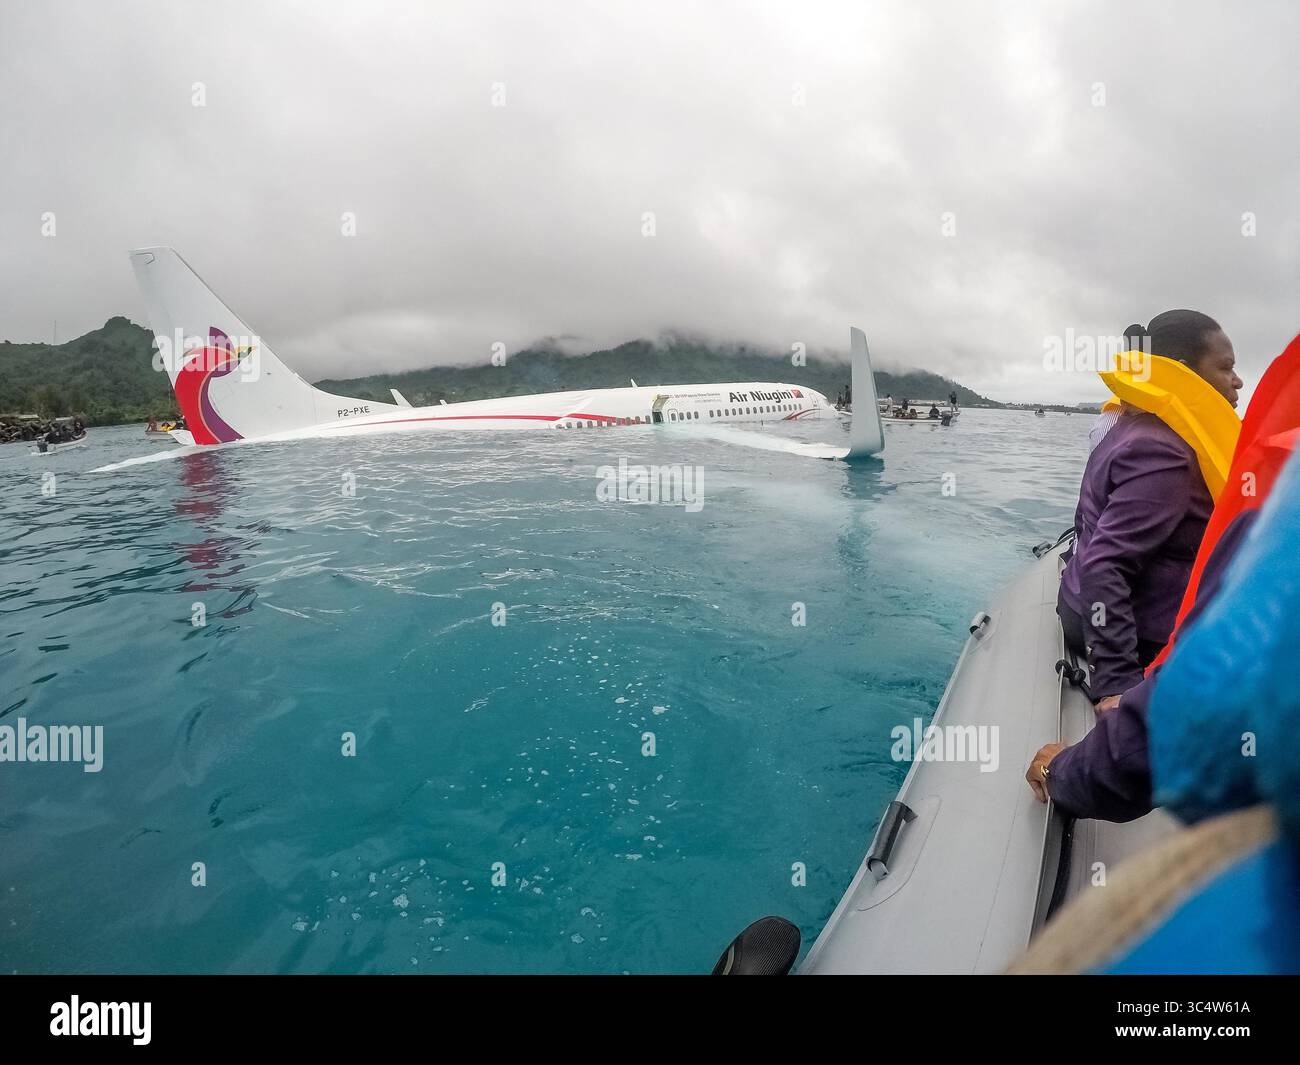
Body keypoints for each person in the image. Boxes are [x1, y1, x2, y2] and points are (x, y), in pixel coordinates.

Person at [1057, 310, 1242, 704]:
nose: (1238, 381)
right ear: (1185, 373)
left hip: (1086, 603)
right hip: (1135, 634)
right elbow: (1106, 564)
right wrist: (1117, 684)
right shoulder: (1164, 451)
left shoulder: (1130, 425)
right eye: (1226, 368)